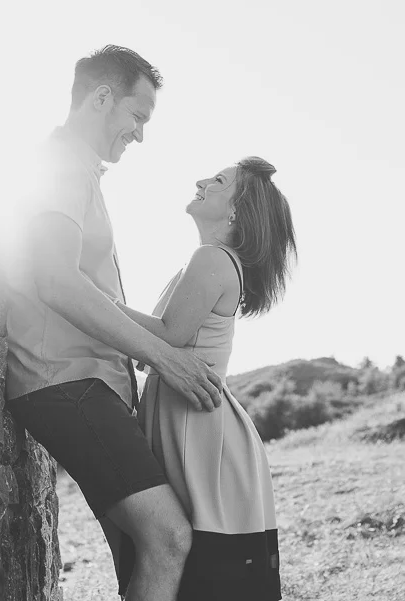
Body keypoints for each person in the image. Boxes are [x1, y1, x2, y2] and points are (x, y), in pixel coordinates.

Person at [3, 45, 225, 601]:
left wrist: (163, 340)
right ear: (102, 97)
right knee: (168, 537)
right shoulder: (59, 166)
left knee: (143, 556)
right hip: (64, 382)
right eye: (137, 116)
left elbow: (87, 288)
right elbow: (57, 281)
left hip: (85, 385)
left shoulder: (77, 171)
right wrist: (164, 357)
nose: (140, 135)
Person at [114, 156, 297, 601]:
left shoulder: (212, 258)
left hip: (197, 429)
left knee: (196, 561)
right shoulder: (210, 261)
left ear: (237, 210)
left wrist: (90, 299)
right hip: (194, 422)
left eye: (218, 181)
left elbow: (167, 336)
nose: (202, 181)